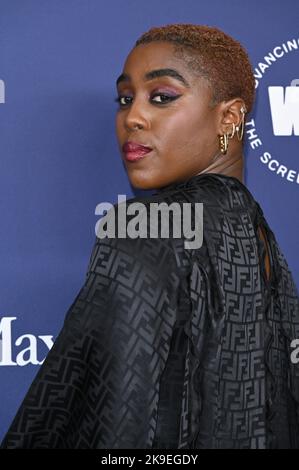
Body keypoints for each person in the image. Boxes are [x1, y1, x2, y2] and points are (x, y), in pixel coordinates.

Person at [1, 23, 299, 449]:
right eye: (125, 99)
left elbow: (122, 417)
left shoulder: (146, 225)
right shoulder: (256, 229)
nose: (133, 117)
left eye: (162, 97)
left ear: (230, 117)